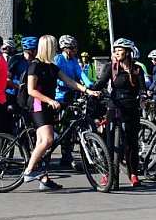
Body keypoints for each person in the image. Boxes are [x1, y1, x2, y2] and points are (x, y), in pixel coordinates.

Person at [22, 35, 100, 191]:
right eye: (54, 46)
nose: (57, 49)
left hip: (47, 106)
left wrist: (88, 91)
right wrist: (50, 101)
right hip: (38, 105)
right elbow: (31, 90)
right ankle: (29, 171)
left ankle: (44, 179)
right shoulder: (35, 66)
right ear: (48, 48)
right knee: (48, 139)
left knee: (44, 143)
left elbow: (70, 81)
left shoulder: (51, 67)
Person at [93, 38, 147, 187]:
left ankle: (133, 173)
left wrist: (143, 96)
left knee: (132, 141)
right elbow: (101, 82)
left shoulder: (137, 69)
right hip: (114, 105)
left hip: (131, 106)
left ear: (128, 52)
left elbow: (142, 88)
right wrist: (91, 90)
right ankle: (108, 173)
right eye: (115, 50)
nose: (116, 53)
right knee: (109, 142)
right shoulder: (112, 68)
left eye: (119, 50)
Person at [54, 34, 91, 169]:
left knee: (74, 122)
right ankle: (65, 154)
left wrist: (90, 85)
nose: (75, 52)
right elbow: (57, 75)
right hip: (59, 95)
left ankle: (77, 154)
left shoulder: (74, 60)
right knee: (63, 125)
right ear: (66, 49)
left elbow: (80, 73)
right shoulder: (58, 59)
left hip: (72, 93)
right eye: (73, 49)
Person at [7, 36, 38, 106]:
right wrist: (19, 86)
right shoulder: (16, 59)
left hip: (29, 95)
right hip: (14, 94)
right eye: (37, 49)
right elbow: (6, 79)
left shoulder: (36, 61)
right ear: (31, 50)